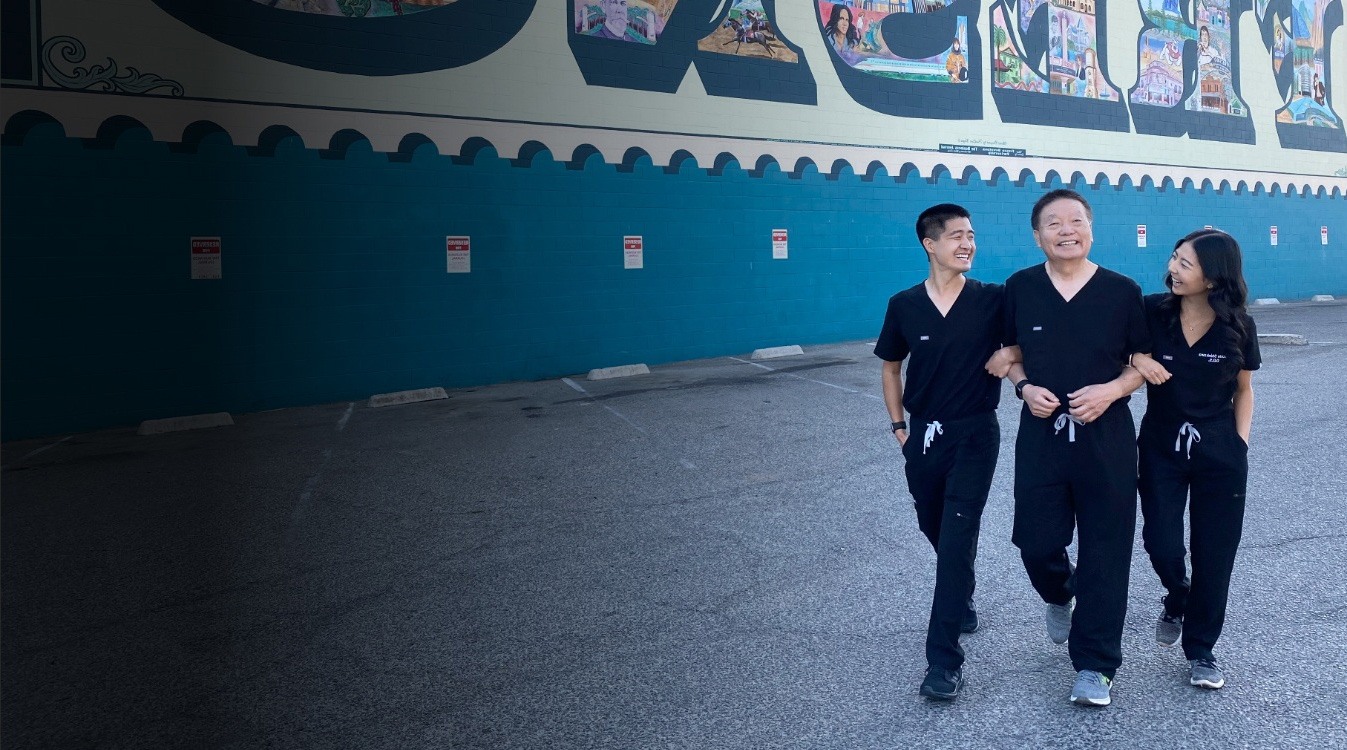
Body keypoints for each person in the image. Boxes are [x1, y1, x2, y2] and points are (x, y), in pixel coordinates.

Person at [1003, 189, 1150, 707]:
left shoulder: (1122, 290)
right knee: (1035, 542)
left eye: (1077, 220)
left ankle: (1095, 665)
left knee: (1107, 552)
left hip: (1106, 439)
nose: (1067, 230)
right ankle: (1058, 590)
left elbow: (1144, 361)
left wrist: (1111, 391)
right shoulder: (1020, 288)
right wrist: (1023, 387)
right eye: (1054, 223)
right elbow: (1006, 354)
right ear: (1037, 234)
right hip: (1042, 436)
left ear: (1091, 228)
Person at [875, 204, 1019, 701]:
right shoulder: (904, 305)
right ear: (929, 244)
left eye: (972, 236)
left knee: (957, 536)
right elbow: (891, 367)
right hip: (923, 435)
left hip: (976, 433)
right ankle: (962, 592)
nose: (968, 244)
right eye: (957, 236)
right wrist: (899, 427)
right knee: (931, 523)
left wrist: (1011, 354)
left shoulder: (992, 300)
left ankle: (943, 663)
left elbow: (1027, 340)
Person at [1128, 230, 1259, 691]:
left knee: (1215, 555)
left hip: (1220, 454)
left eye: (1186, 263)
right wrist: (1139, 358)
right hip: (1162, 448)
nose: (1174, 268)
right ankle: (1177, 594)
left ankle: (1201, 650)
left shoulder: (1239, 325)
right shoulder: (1152, 312)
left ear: (1213, 275)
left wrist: (1239, 445)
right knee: (1161, 542)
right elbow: (1123, 348)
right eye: (1175, 258)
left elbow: (1244, 390)